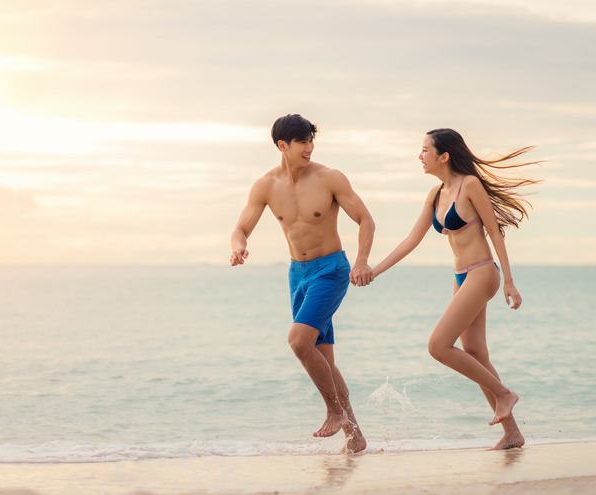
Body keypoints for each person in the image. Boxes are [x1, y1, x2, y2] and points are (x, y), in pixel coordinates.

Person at [371, 128, 540, 450]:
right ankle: (513, 434)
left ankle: (505, 395)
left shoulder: (470, 185)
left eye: (424, 150)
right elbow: (411, 240)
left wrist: (509, 280)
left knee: (438, 345)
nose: (419, 156)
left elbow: (494, 232)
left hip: (482, 273)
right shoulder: (435, 195)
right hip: (460, 275)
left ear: (443, 155)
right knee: (475, 353)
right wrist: (374, 272)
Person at [230, 114, 375, 453]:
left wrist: (362, 260)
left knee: (298, 341)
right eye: (302, 142)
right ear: (283, 146)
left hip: (331, 270)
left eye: (312, 140)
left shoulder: (330, 178)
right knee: (323, 358)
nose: (310, 148)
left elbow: (366, 219)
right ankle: (356, 438)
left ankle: (335, 412)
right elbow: (241, 228)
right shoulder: (265, 185)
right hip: (298, 274)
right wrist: (238, 247)